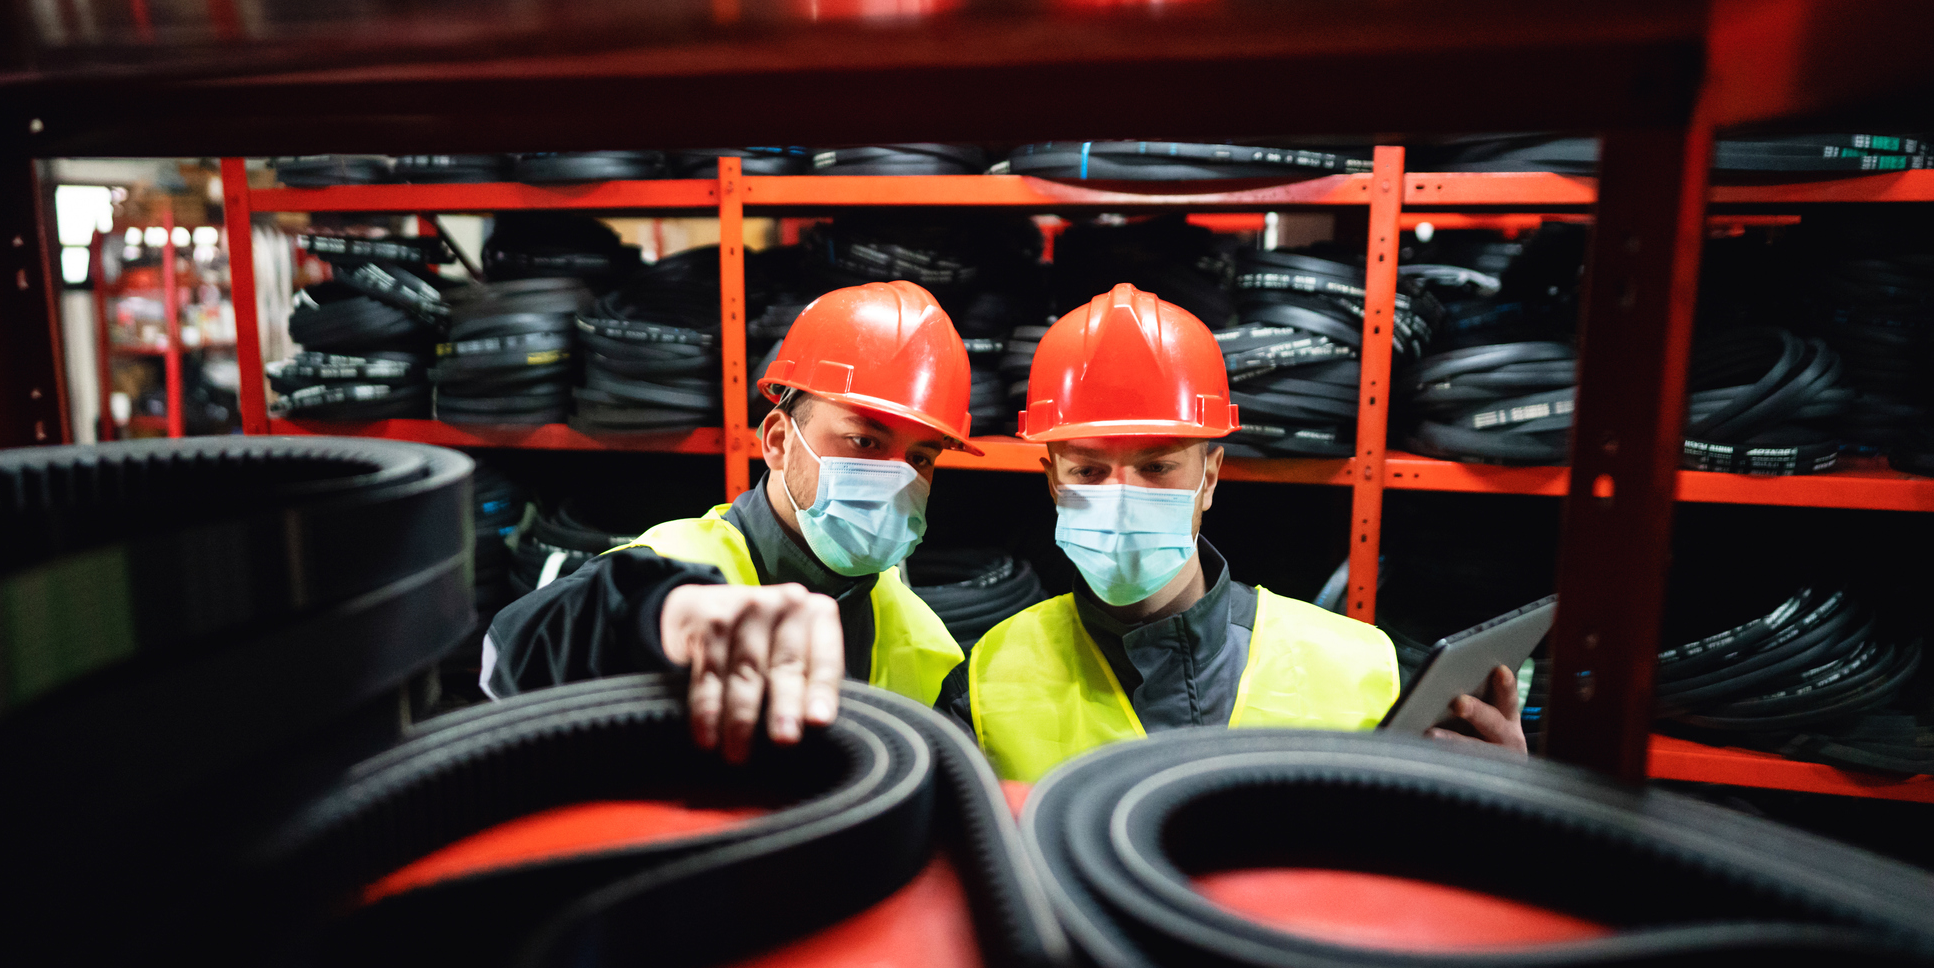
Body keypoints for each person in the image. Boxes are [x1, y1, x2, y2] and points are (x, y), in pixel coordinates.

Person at [947, 283, 1525, 783]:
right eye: (1088, 471)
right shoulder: (984, 679)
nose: (1122, 499)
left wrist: (1492, 799)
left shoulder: (1359, 670)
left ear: (1210, 476)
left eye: (1157, 466)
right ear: (1052, 482)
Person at [483, 280, 975, 761]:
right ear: (778, 442)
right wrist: (648, 618)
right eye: (864, 442)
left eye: (920, 458)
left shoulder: (929, 647)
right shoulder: (664, 573)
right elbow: (505, 660)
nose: (895, 479)